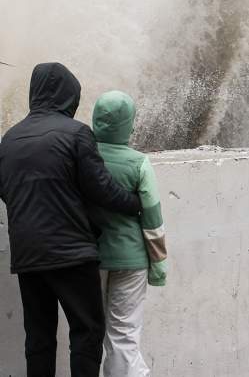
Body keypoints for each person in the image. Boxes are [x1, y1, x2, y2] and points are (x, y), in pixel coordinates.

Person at [0, 62, 143, 376]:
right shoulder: (77, 134)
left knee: (38, 337)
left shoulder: (8, 140)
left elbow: (6, 190)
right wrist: (136, 204)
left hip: (28, 255)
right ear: (69, 97)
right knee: (87, 331)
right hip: (71, 253)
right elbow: (101, 188)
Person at [91, 90, 167, 377]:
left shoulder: (81, 157)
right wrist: (158, 267)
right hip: (132, 261)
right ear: (129, 124)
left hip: (91, 257)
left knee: (91, 332)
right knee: (123, 335)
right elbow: (153, 220)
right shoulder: (139, 163)